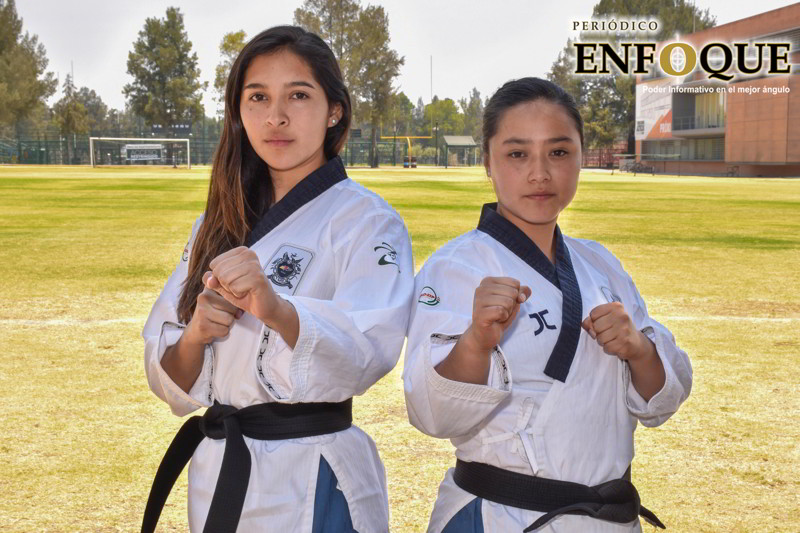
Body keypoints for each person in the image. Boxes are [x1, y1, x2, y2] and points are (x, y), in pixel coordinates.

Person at [141, 25, 413, 533]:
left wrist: (276, 308)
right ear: (239, 113)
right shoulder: (215, 223)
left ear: (335, 110)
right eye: (258, 97)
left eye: (299, 95)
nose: (276, 116)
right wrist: (198, 333)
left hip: (313, 476)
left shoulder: (367, 221)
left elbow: (369, 350)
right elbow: (170, 377)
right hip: (221, 467)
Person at [403, 77, 692, 533]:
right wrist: (477, 342)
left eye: (559, 152)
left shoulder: (600, 264)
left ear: (580, 157)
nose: (540, 173)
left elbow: (660, 402)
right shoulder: (455, 267)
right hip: (502, 515)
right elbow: (432, 415)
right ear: (488, 163)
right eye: (517, 154)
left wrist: (639, 349)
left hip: (606, 518)